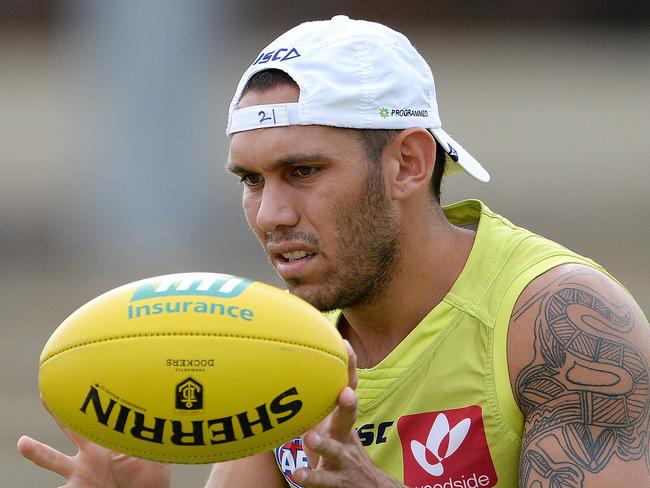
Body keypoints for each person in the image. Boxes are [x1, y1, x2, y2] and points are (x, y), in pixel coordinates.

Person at [18, 15, 649, 488]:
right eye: (250, 180)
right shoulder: (274, 341)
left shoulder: (561, 323)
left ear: (408, 163)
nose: (270, 215)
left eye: (303, 171)